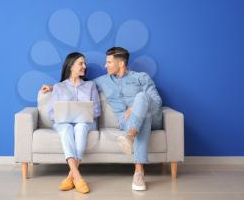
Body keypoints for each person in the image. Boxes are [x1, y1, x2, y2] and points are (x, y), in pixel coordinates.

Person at [42, 47, 162, 191]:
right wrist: (53, 87)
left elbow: (157, 101)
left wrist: (136, 106)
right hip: (125, 121)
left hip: (149, 115)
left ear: (121, 64)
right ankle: (138, 170)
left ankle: (131, 141)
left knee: (143, 105)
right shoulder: (103, 81)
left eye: (109, 62)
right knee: (143, 121)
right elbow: (79, 83)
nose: (105, 65)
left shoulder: (141, 77)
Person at [46, 52, 101, 194]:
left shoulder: (90, 85)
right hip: (63, 122)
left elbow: (97, 111)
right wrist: (65, 115)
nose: (84, 66)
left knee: (81, 127)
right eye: (80, 63)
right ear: (71, 66)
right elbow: (52, 113)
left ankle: (72, 176)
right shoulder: (59, 87)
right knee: (66, 129)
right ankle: (77, 176)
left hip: (85, 122)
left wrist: (83, 112)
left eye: (84, 63)